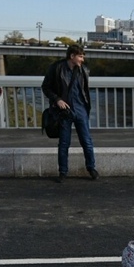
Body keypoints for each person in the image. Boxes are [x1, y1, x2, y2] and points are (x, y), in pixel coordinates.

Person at [41, 44, 97, 182]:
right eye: (80, 56)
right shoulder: (57, 68)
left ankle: (91, 168)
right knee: (64, 143)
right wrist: (57, 100)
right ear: (72, 56)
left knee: (87, 141)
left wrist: (85, 107)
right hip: (64, 111)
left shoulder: (83, 70)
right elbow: (46, 87)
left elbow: (84, 91)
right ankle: (63, 172)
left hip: (80, 109)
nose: (82, 59)